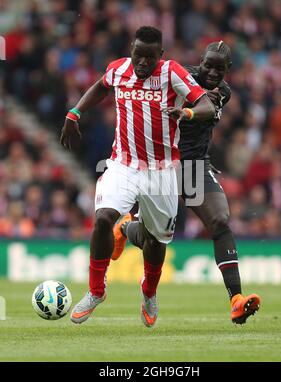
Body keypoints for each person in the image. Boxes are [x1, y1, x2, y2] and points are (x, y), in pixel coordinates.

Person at [60, 26, 215, 327]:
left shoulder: (172, 73)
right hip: (123, 164)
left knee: (155, 240)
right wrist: (74, 112)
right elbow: (101, 86)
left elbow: (205, 102)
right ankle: (96, 291)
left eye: (149, 57)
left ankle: (149, 292)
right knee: (104, 217)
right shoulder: (118, 69)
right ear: (131, 49)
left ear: (161, 54)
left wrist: (189, 114)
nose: (143, 63)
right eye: (138, 55)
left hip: (162, 170)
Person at [112, 41, 261, 325]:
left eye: (220, 68)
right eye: (208, 65)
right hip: (162, 164)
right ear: (200, 62)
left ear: (228, 70)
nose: (213, 72)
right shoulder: (179, 78)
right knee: (151, 239)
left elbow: (209, 103)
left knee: (219, 220)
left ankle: (236, 300)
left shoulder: (224, 92)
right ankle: (126, 228)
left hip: (193, 167)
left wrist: (197, 106)